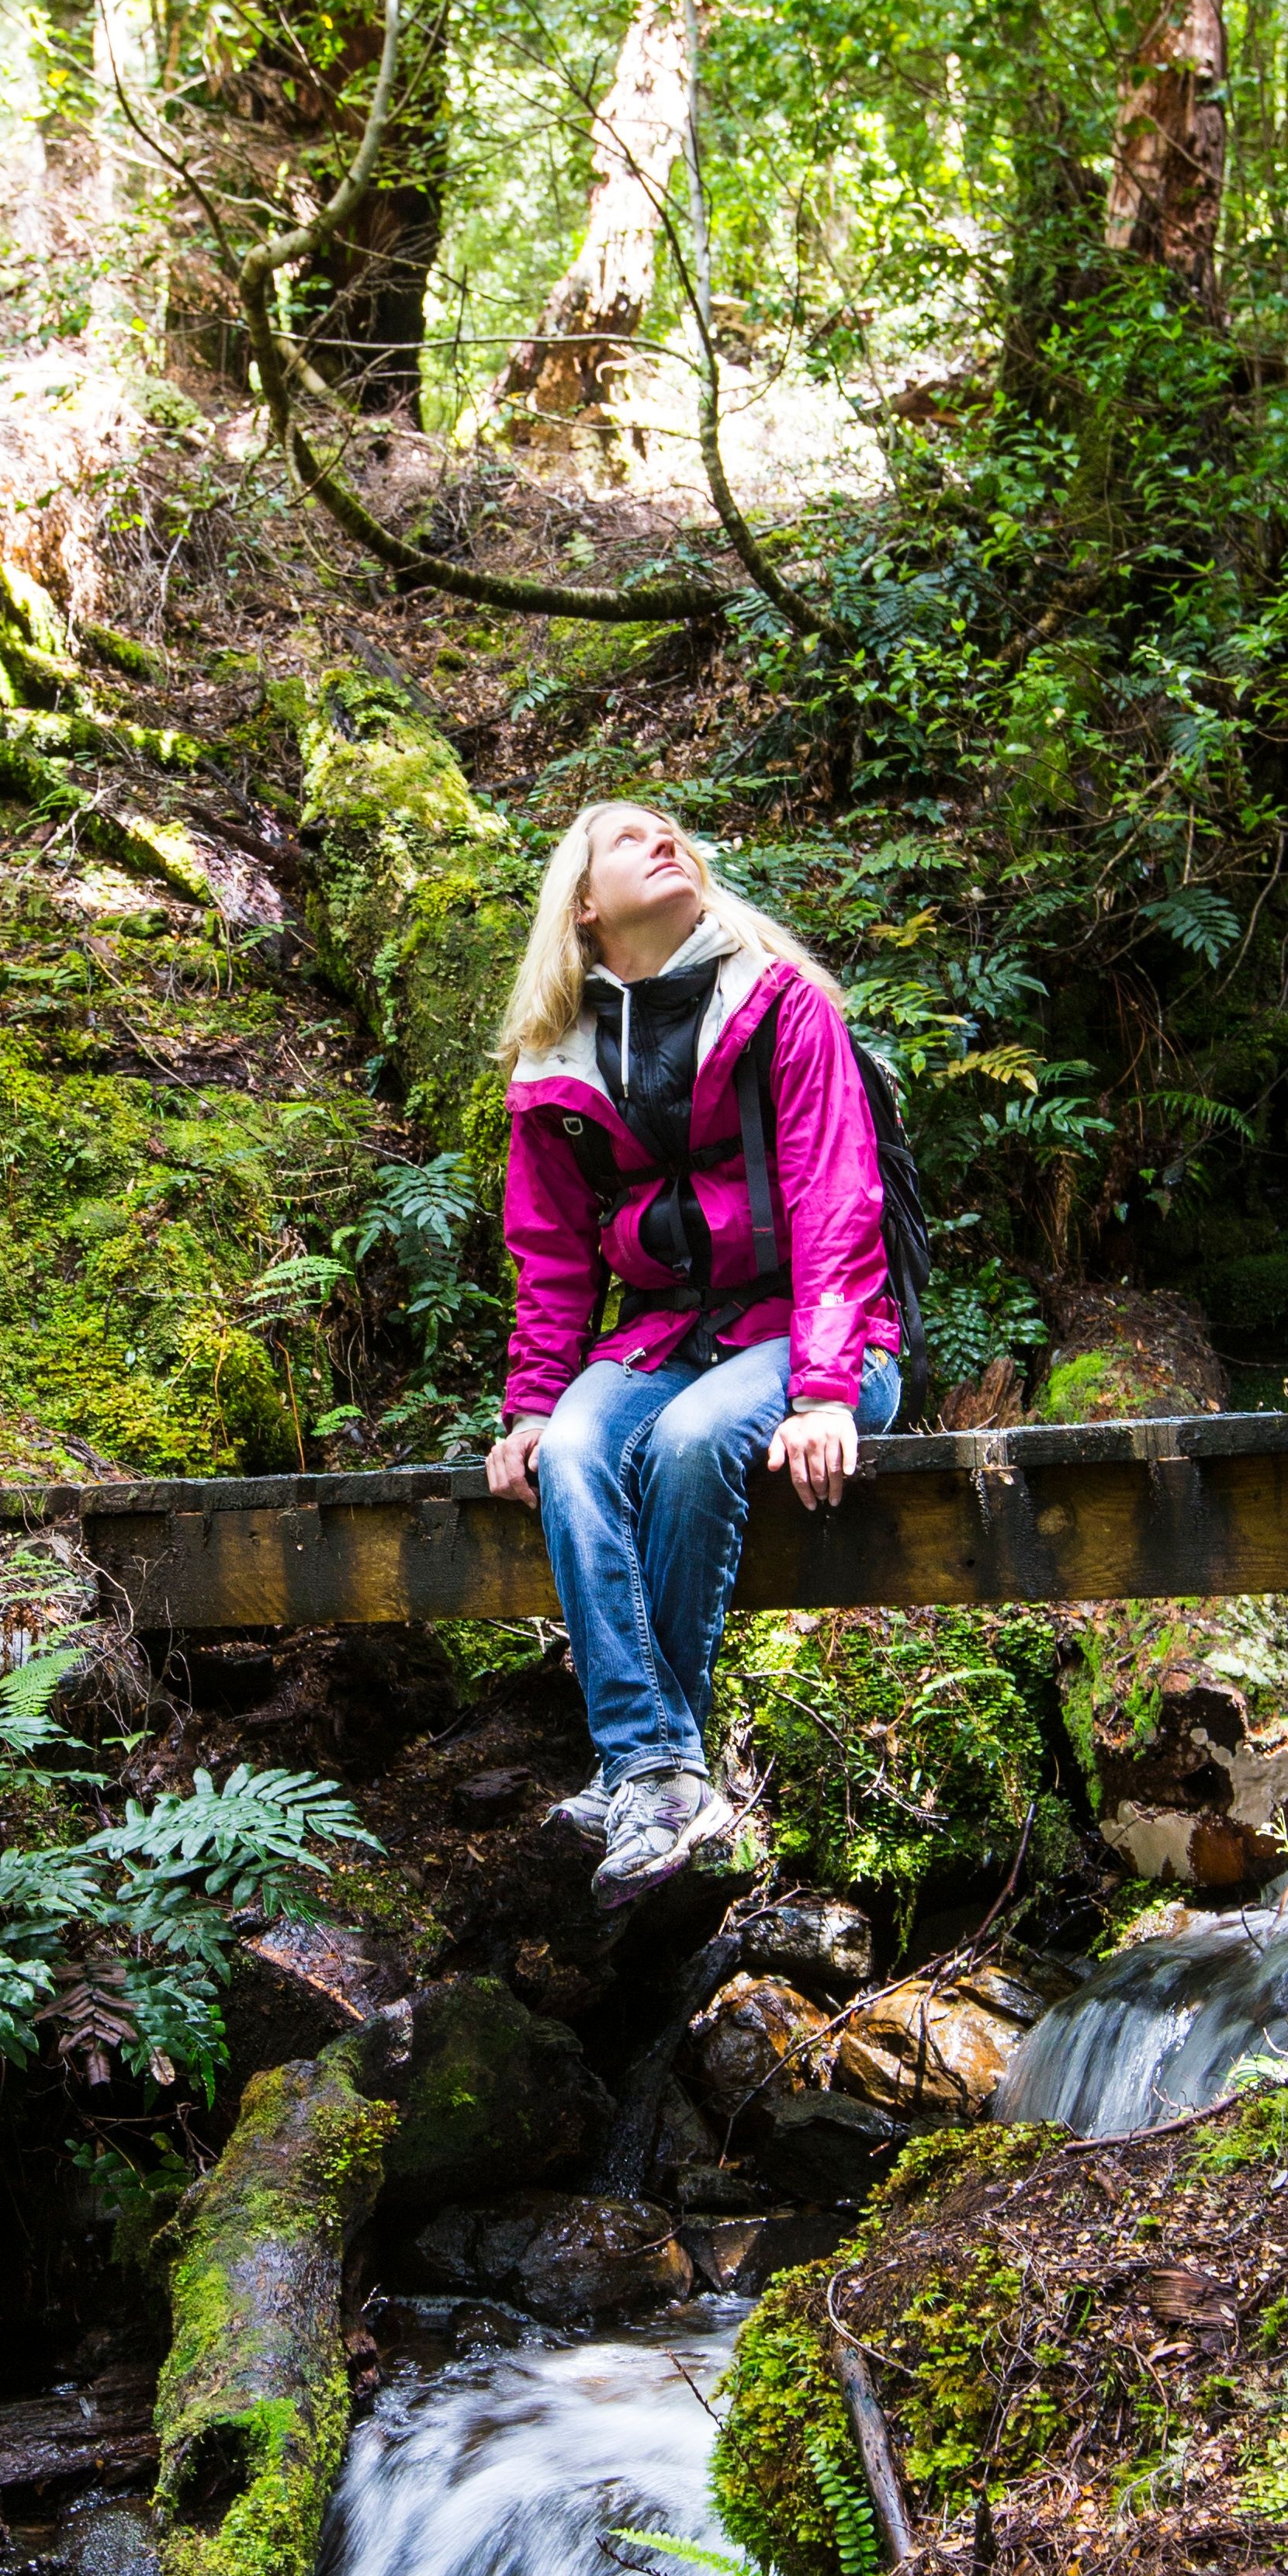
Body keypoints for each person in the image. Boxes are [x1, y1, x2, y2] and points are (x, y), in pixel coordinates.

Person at [483, 802, 902, 1905]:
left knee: (695, 1436)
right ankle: (659, 1769)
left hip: (824, 1343)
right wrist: (532, 1404)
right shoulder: (554, 1063)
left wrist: (822, 1395)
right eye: (629, 838)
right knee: (573, 1450)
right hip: (669, 1334)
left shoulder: (782, 1002)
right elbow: (554, 1251)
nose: (665, 840)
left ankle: (641, 1765)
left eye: (672, 831)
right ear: (583, 906)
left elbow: (834, 1202)